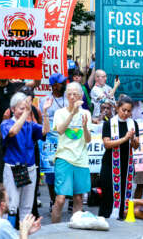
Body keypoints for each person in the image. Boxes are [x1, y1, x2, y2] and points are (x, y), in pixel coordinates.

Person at [0, 61, 40, 183]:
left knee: (15, 151)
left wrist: (38, 67)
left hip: (14, 125)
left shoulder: (17, 86)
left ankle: (17, 181)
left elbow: (35, 83)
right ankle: (2, 182)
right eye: (0, 71)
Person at [0, 93, 51, 224]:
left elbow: (45, 131)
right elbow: (12, 132)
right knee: (12, 204)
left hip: (30, 168)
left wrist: (45, 112)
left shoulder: (30, 125)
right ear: (13, 109)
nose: (25, 111)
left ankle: (24, 233)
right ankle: (8, 232)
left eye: (26, 108)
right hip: (13, 167)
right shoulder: (6, 123)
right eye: (21, 108)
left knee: (27, 205)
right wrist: (26, 113)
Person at [51, 82, 92, 223]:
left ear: (81, 96)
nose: (72, 97)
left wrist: (85, 127)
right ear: (66, 96)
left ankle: (77, 229)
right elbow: (60, 130)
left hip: (81, 160)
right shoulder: (59, 113)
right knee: (60, 199)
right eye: (69, 94)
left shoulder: (86, 113)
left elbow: (87, 139)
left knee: (79, 198)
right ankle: (54, 231)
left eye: (75, 94)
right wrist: (72, 114)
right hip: (64, 158)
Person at [98, 95, 139, 219]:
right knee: (108, 191)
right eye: (123, 110)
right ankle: (106, 217)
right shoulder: (109, 123)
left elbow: (136, 146)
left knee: (123, 191)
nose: (126, 113)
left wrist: (133, 139)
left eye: (129, 111)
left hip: (126, 163)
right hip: (110, 163)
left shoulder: (133, 124)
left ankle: (122, 214)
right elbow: (107, 144)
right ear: (117, 108)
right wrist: (125, 138)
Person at [39, 73, 68, 212]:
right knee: (50, 173)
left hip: (66, 140)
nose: (65, 84)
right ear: (54, 85)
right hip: (50, 141)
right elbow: (41, 120)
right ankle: (52, 200)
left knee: (67, 172)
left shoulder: (68, 99)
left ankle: (69, 200)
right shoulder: (45, 100)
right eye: (62, 82)